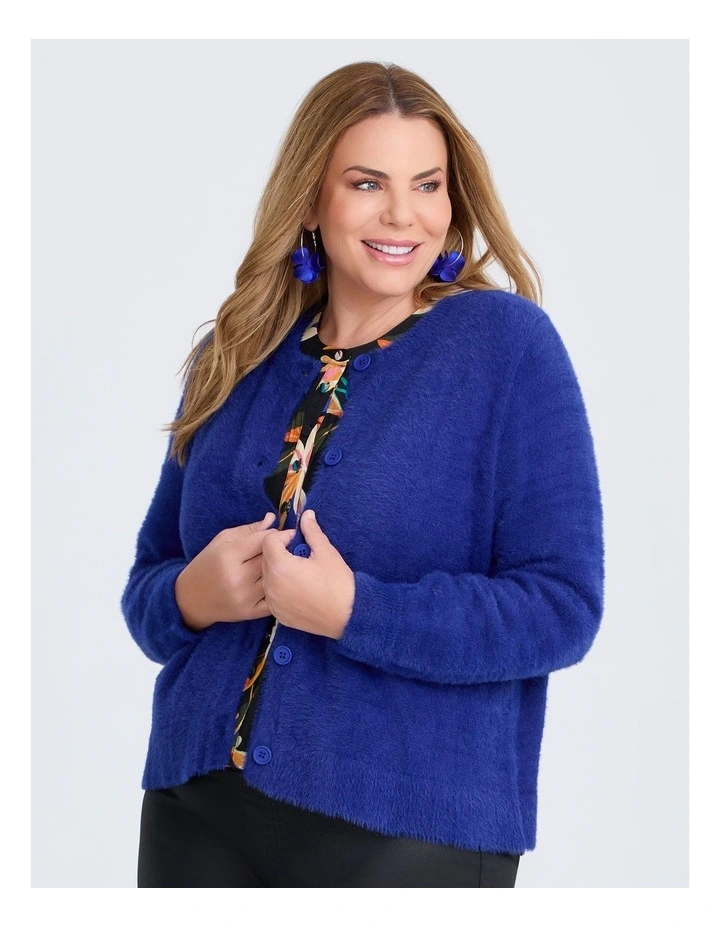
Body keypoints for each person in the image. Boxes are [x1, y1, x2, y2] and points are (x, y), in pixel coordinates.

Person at [121, 60, 605, 888]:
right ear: (312, 199)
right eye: (367, 182)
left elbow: (562, 608)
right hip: (195, 811)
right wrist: (193, 596)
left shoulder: (505, 348)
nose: (402, 215)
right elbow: (147, 591)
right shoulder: (234, 356)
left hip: (406, 826)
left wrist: (354, 611)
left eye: (427, 185)